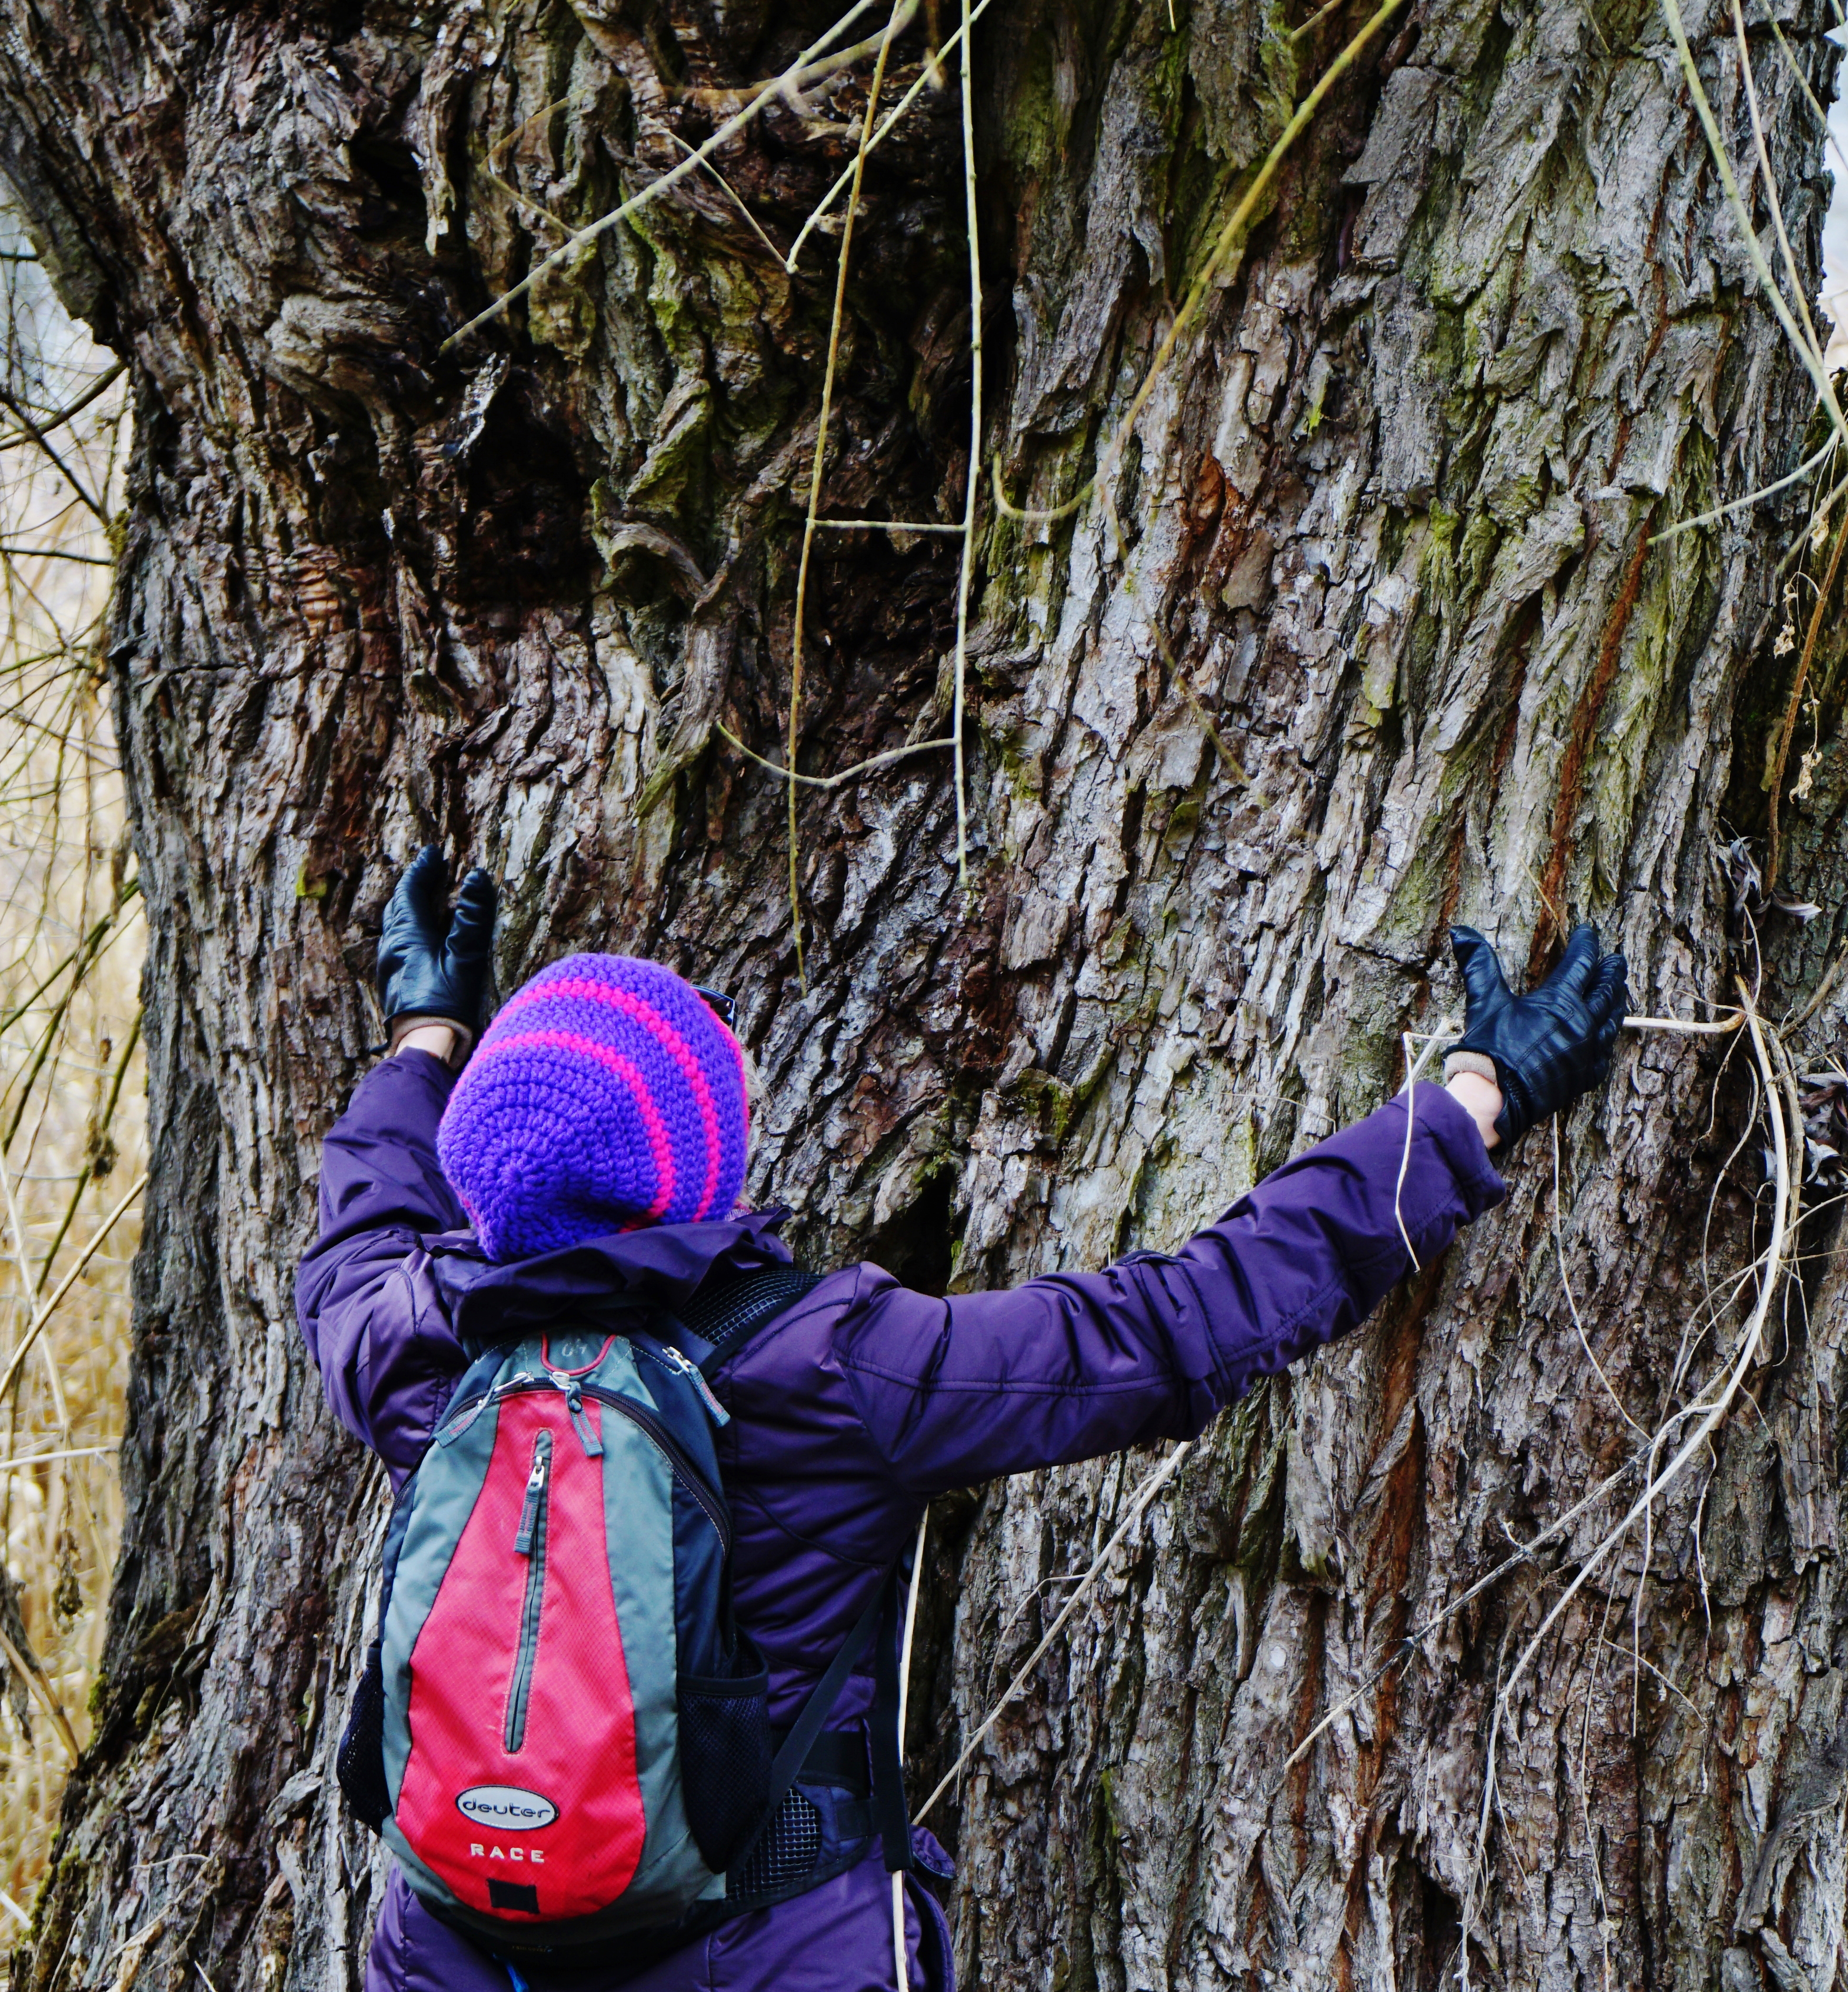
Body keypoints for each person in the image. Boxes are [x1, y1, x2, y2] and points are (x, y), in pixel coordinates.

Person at [304, 845, 1631, 1991]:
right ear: (694, 1164)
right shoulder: (830, 1364)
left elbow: (362, 1224)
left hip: (456, 1950)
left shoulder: (418, 1341)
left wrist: (427, 1035)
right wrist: (1470, 1104)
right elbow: (1169, 1326)